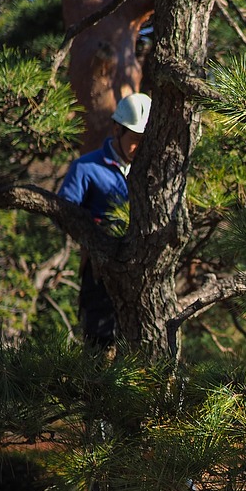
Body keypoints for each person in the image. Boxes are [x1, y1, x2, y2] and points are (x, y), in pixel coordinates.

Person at [57, 92, 152, 346]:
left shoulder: (152, 173)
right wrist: (96, 229)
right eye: (133, 139)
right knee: (101, 343)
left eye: (144, 141)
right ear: (117, 129)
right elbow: (63, 213)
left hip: (143, 273)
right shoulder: (86, 168)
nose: (137, 148)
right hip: (101, 272)